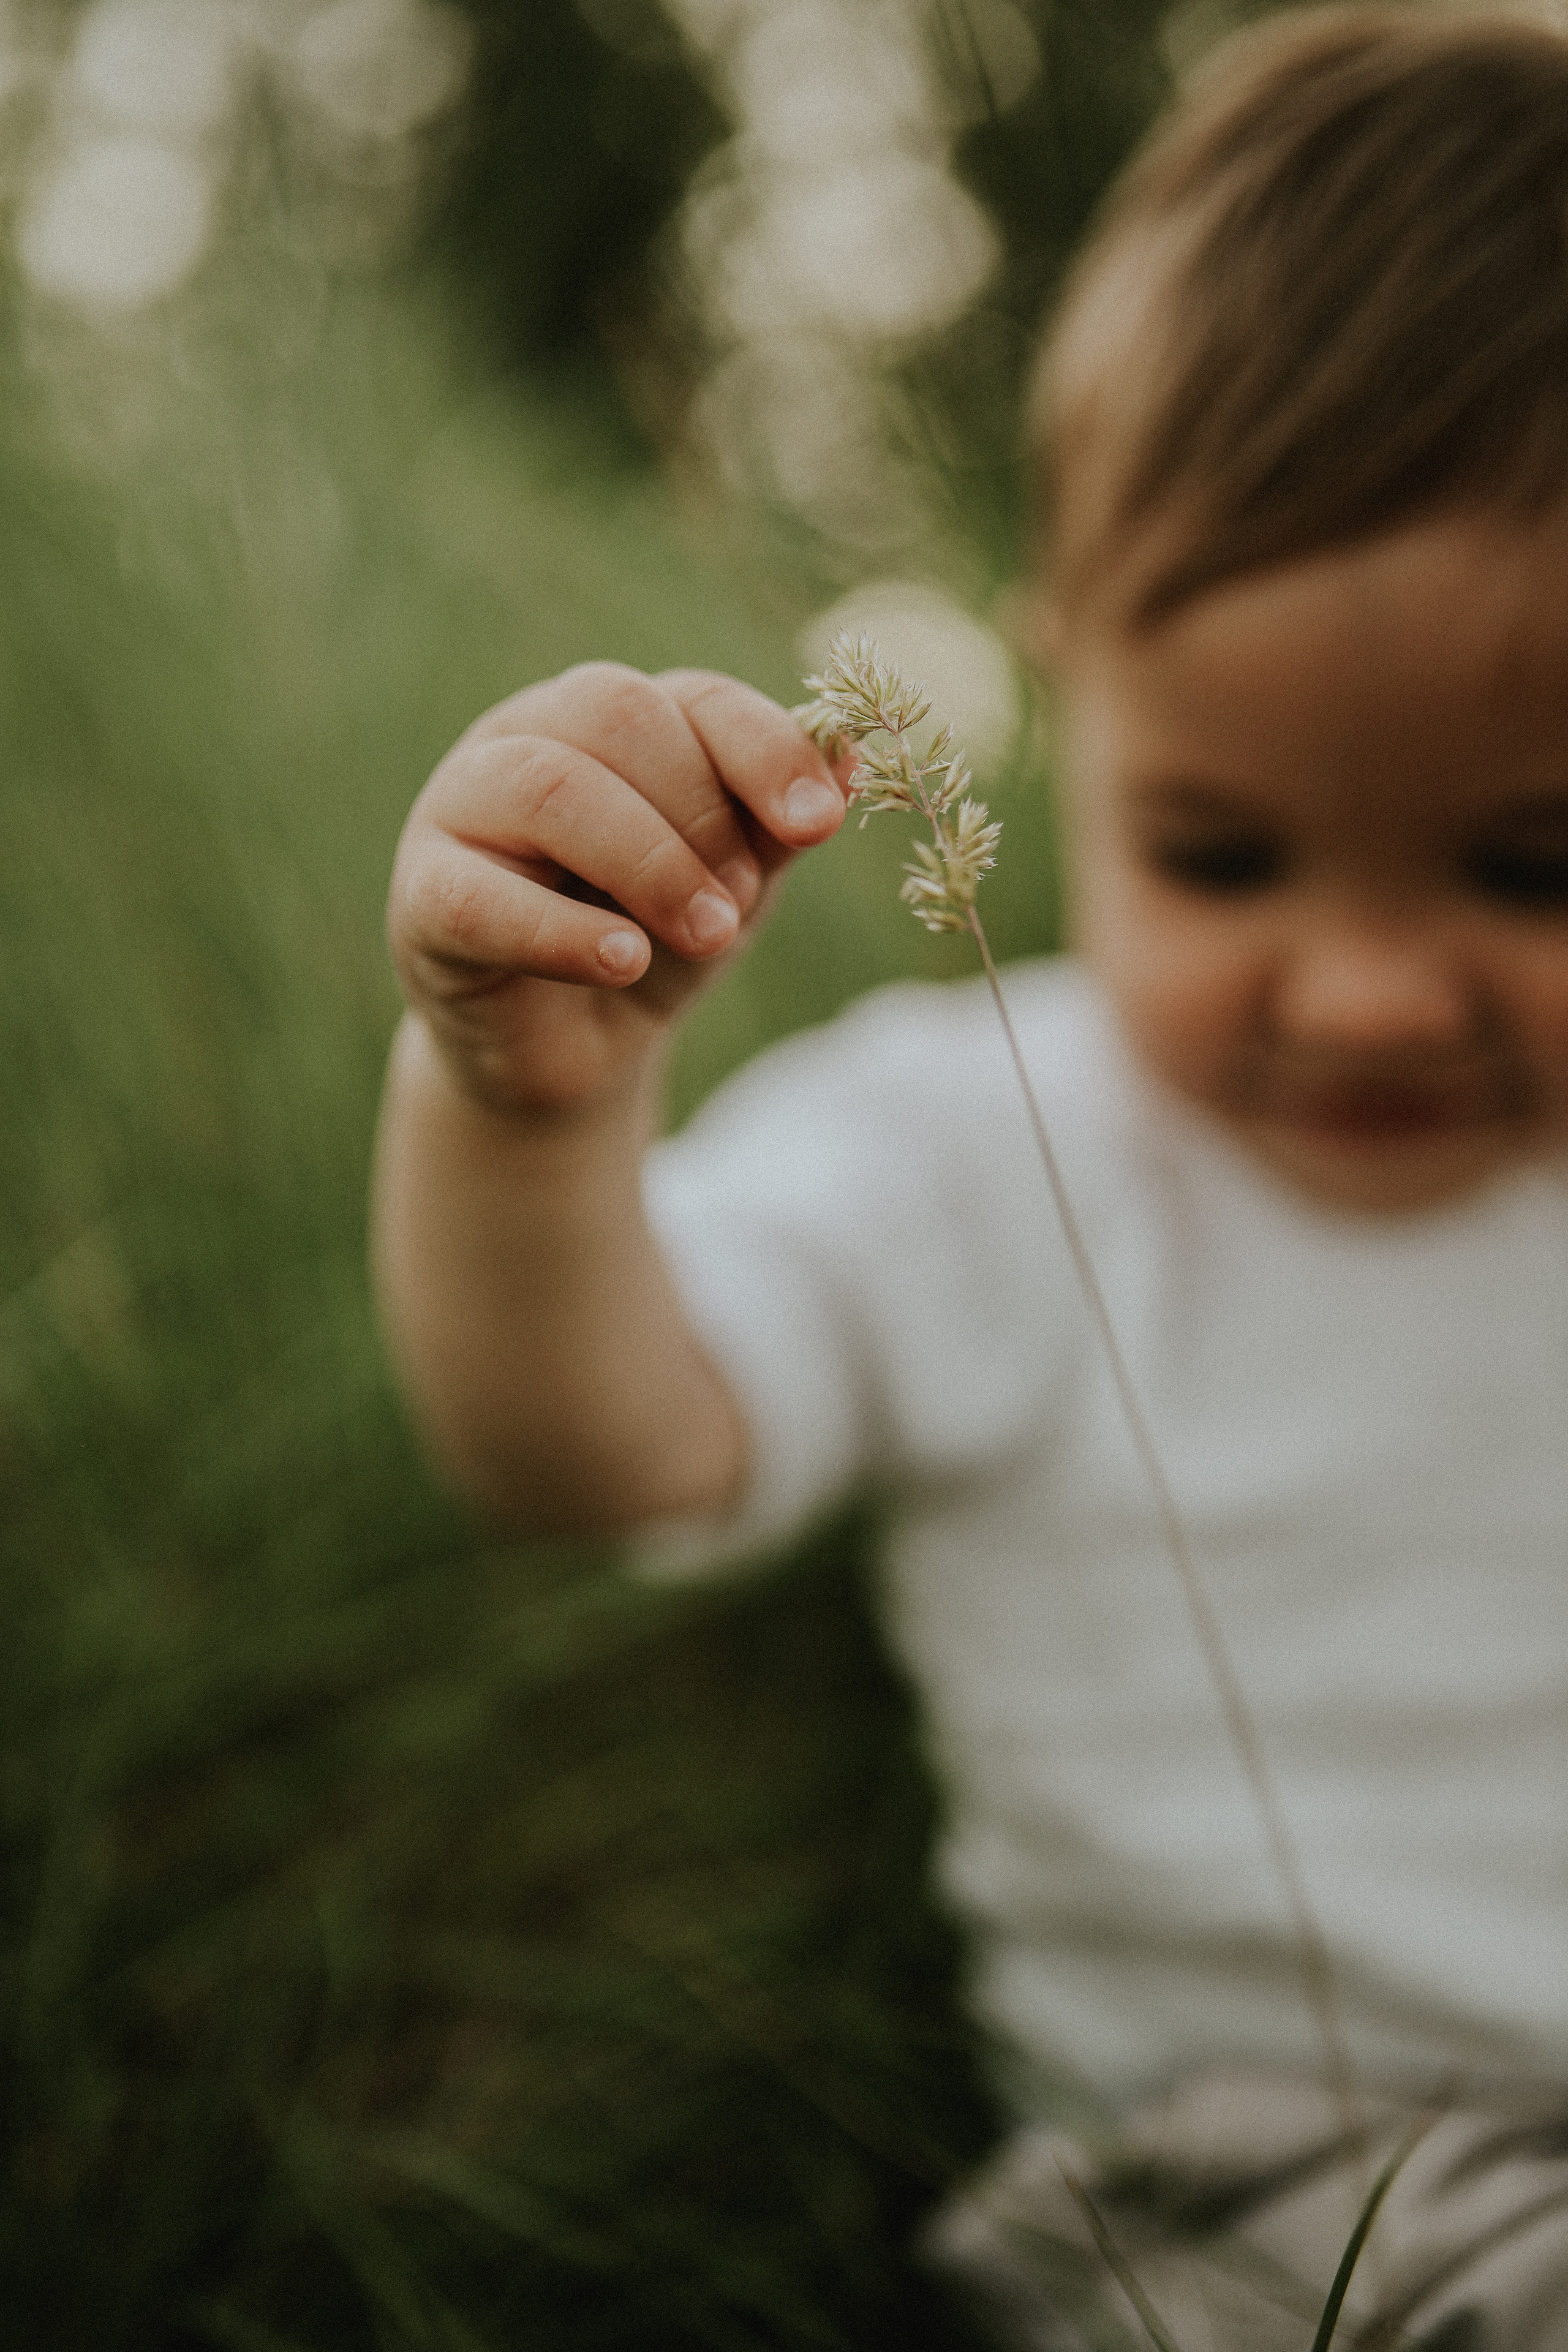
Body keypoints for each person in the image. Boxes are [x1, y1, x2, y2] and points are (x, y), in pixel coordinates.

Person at [372, 9, 1568, 2342]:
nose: (1369, 998)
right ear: (1072, 700)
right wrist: (524, 1117)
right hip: (1268, 2179)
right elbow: (606, 1451)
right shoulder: (981, 1154)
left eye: (1536, 862)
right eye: (1221, 851)